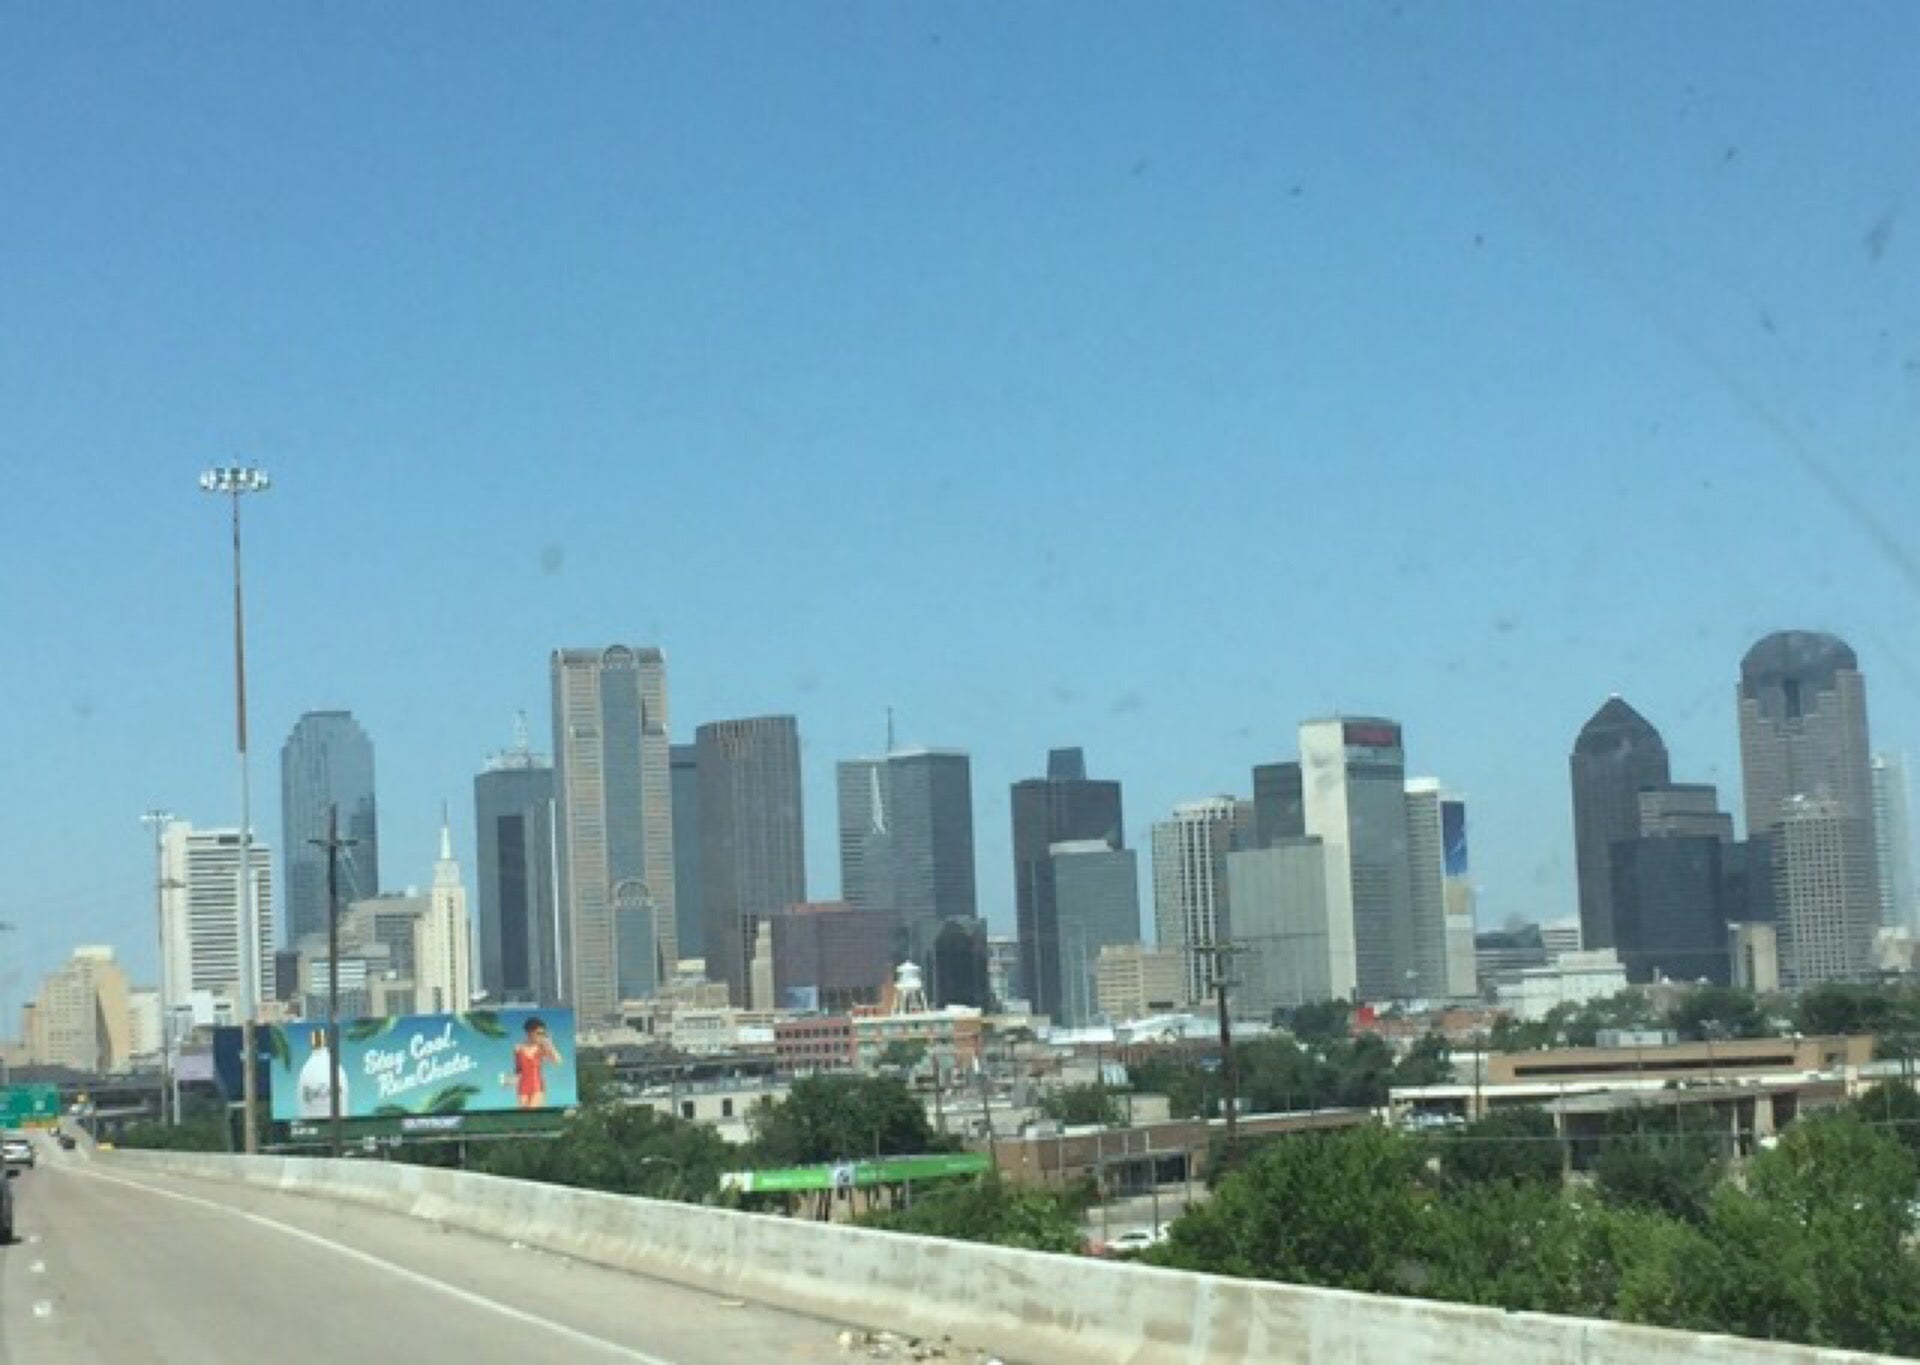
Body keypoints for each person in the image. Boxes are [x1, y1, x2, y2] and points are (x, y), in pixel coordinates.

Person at [505, 1017, 563, 1109]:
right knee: (525, 1115)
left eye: (543, 1034)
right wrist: (510, 1081)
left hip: (537, 1086)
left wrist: (551, 1046)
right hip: (522, 1087)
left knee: (532, 1109)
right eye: (539, 1033)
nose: (541, 1036)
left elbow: (558, 1061)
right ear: (530, 1032)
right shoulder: (518, 1048)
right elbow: (518, 1069)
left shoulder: (542, 1048)